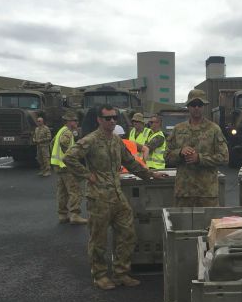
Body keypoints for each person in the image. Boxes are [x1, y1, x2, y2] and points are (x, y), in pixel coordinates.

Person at [63, 104, 166, 290]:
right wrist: (86, 174)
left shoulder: (117, 141)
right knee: (99, 239)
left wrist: (150, 174)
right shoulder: (91, 140)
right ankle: (100, 275)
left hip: (118, 196)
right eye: (108, 118)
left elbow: (130, 162)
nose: (112, 121)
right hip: (99, 197)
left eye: (114, 118)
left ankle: (121, 273)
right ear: (99, 120)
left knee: (128, 234)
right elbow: (69, 157)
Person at [165, 89, 229, 207]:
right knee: (183, 225)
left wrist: (199, 158)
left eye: (199, 105)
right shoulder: (178, 129)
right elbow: (166, 157)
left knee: (209, 225)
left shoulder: (214, 129)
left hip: (207, 193)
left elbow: (224, 157)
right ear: (188, 107)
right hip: (184, 193)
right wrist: (180, 152)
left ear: (204, 107)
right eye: (193, 105)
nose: (196, 108)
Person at [50, 110, 87, 225]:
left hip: (58, 164)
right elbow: (63, 142)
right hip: (66, 165)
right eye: (74, 121)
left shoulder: (61, 130)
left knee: (62, 191)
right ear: (68, 122)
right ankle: (75, 215)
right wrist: (70, 155)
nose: (76, 123)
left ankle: (62, 214)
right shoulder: (68, 132)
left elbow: (52, 143)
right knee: (75, 190)